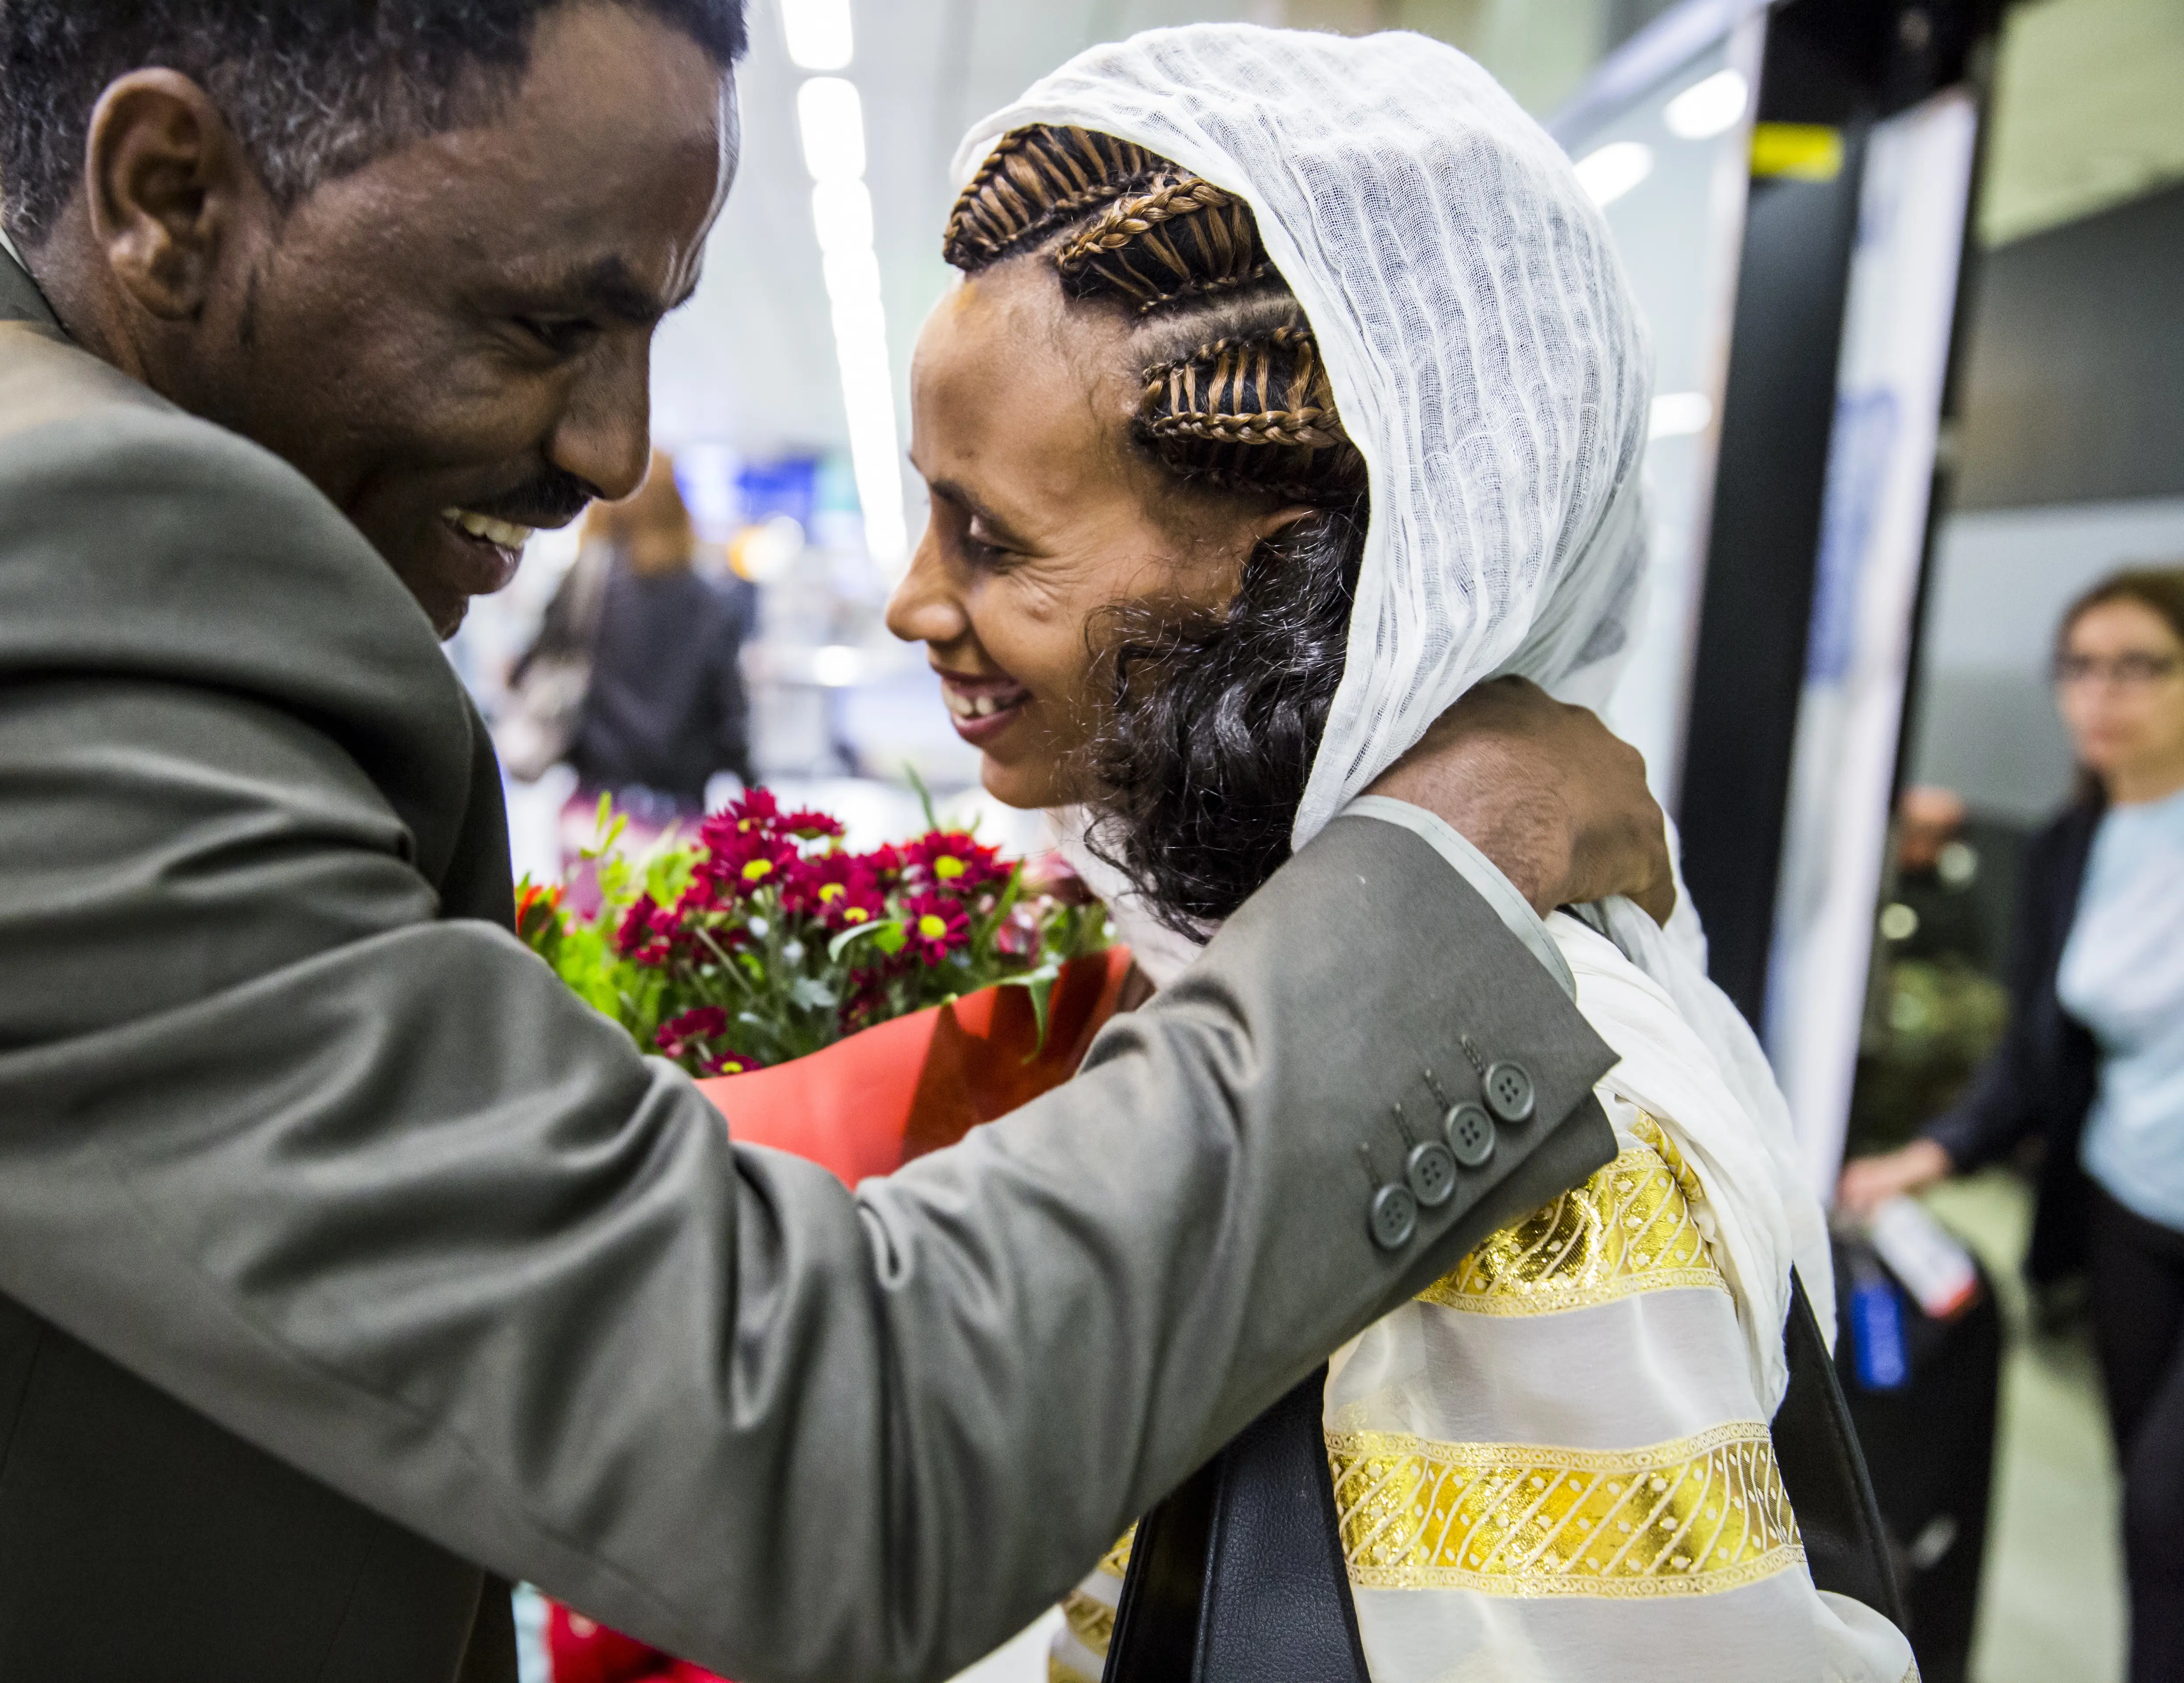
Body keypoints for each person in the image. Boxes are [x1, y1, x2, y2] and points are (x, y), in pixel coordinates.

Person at [0, 4, 1679, 1679]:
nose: (612, 451)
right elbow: (818, 1450)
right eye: (550, 321)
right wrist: (1440, 882)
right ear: (170, 192)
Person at [887, 28, 1912, 1681]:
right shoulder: (1283, 973)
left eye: (991, 536)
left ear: (1280, 583)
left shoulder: (1509, 1139)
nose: (910, 601)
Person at [1843, 566, 2184, 1683]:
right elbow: (2034, 1058)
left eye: (2137, 664)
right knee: (2140, 1483)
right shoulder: (2066, 851)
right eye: (2079, 666)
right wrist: (1922, 1156)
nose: (2101, 692)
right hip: (2129, 1209)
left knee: (2162, 1515)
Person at [509, 449, 753, 821]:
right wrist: (752, 795)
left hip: (596, 813)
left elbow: (530, 668)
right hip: (678, 815)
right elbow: (729, 716)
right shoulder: (711, 602)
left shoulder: (587, 587)